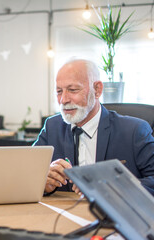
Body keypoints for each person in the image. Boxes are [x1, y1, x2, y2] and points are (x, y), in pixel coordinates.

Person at [34, 59, 154, 196]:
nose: (64, 100)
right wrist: (43, 183)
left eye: (73, 90)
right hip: (62, 215)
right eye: (59, 91)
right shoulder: (52, 127)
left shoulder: (133, 131)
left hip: (114, 215)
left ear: (97, 90)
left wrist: (114, 187)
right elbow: (26, 174)